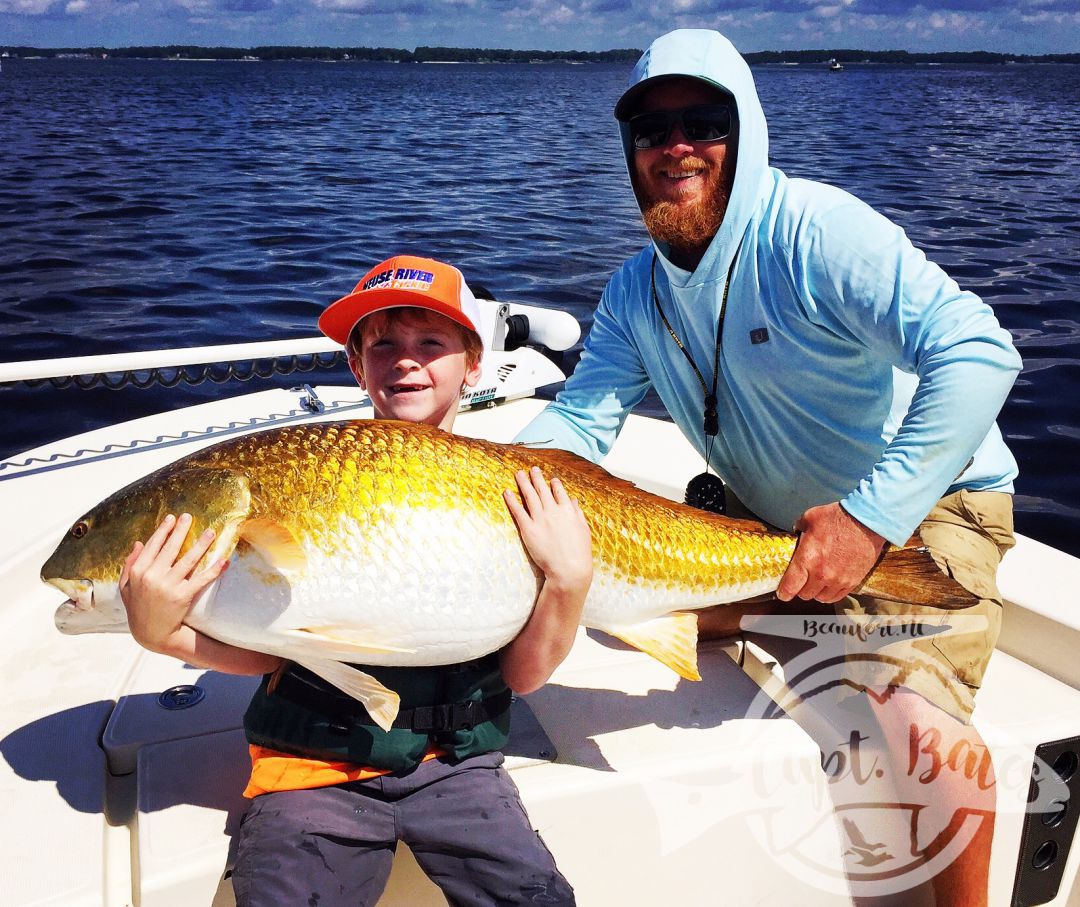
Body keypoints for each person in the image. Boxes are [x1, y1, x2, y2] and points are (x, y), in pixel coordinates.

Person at [515, 29, 1021, 906]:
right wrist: (478, 480)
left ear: (744, 131)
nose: (675, 146)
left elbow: (981, 350)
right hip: (780, 524)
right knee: (618, 615)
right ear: (629, 150)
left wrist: (868, 520)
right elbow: (579, 423)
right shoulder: (635, 291)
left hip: (932, 502)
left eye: (702, 121)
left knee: (914, 728)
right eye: (650, 128)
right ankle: (780, 597)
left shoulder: (817, 232)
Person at [120, 254, 588, 906]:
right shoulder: (312, 476)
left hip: (458, 768)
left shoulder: (521, 494)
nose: (406, 359)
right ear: (355, 363)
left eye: (431, 342)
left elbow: (524, 677)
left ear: (473, 363)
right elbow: (269, 650)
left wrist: (567, 580)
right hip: (309, 769)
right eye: (383, 343)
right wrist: (160, 631)